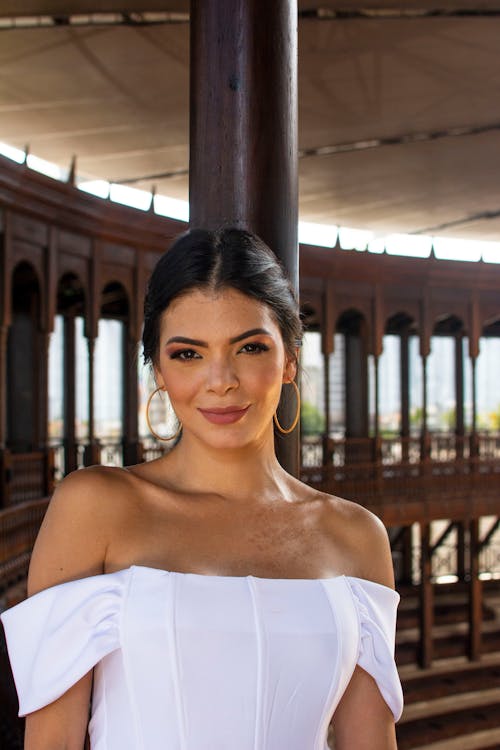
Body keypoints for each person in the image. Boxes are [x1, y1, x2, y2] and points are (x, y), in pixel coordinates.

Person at [1, 227, 403, 750]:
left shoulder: (356, 535)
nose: (220, 380)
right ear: (159, 370)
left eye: (250, 347)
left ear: (289, 360)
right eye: (189, 354)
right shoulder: (95, 507)